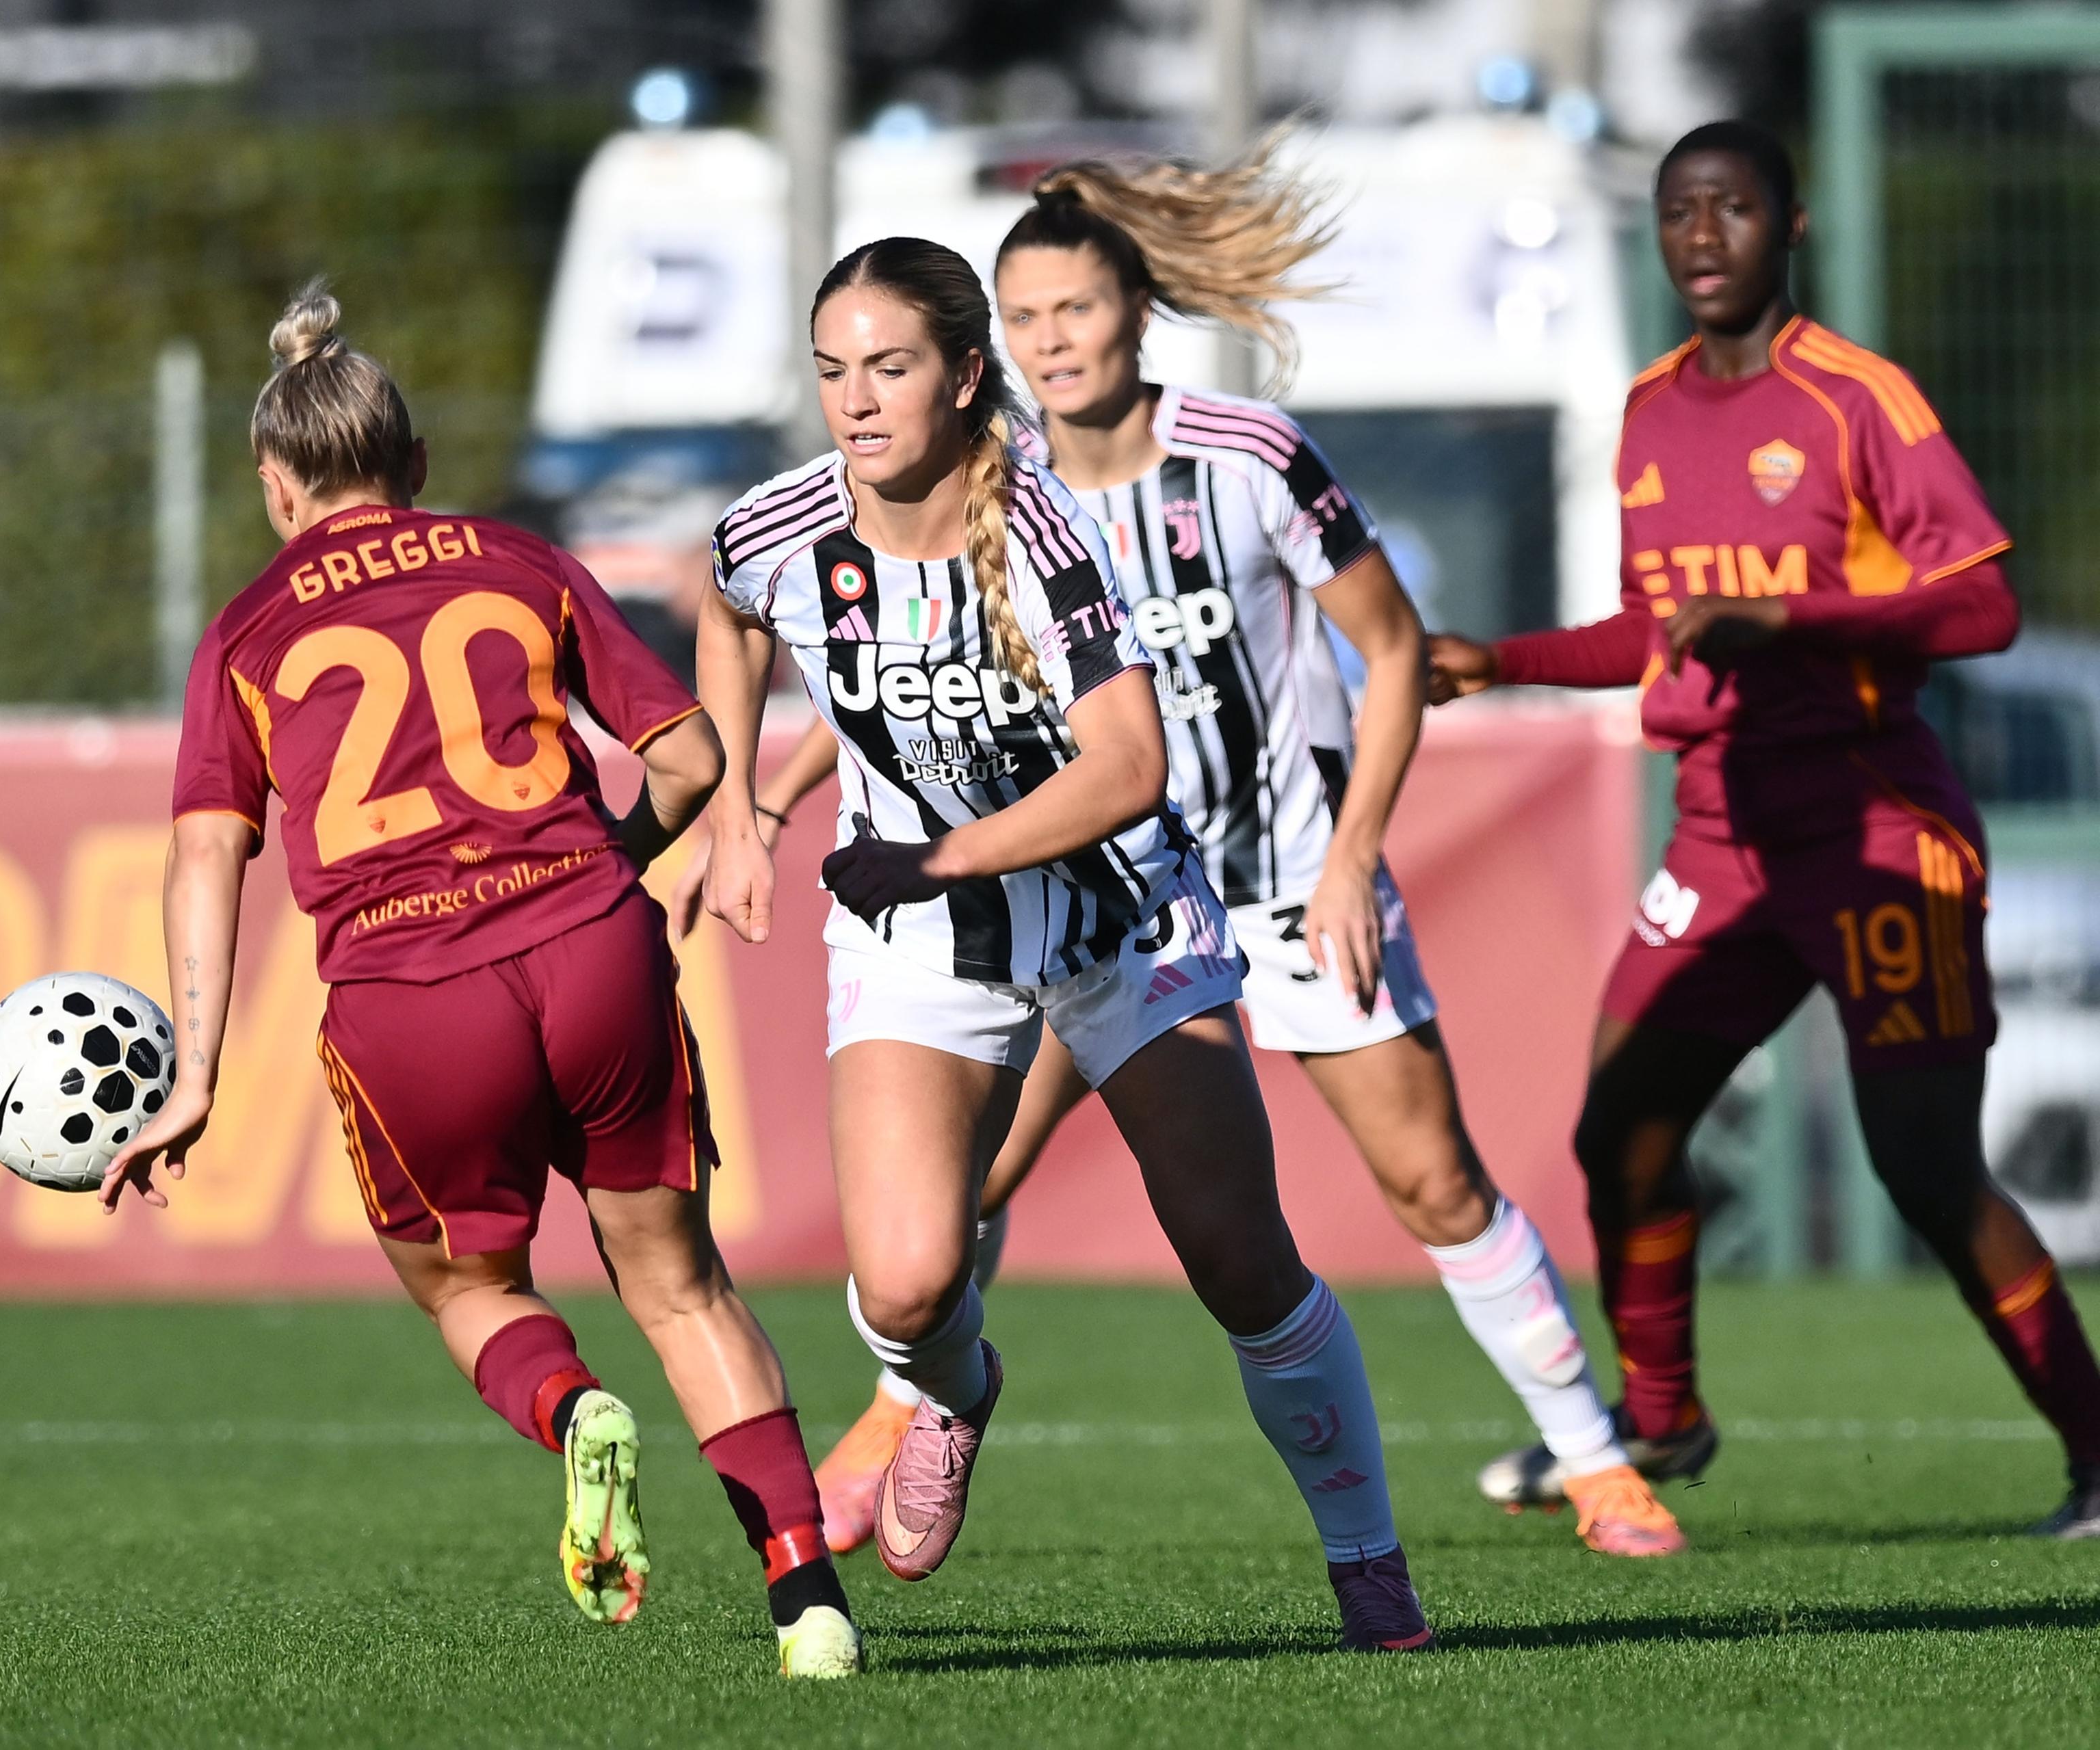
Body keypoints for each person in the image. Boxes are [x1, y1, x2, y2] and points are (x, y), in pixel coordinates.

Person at [683, 145, 1684, 1561]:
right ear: (994, 348)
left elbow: (1389, 650)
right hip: (1071, 899)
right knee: (947, 1206)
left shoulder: (1245, 458)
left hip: (1262, 884)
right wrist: (767, 797)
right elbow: (892, 677)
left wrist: (1349, 863)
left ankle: (1595, 1464)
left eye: (1074, 313)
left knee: (1428, 1184)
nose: (1051, 343)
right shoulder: (979, 485)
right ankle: (914, 1403)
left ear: (1136, 315)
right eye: (1026, 319)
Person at [97, 283, 865, 1679]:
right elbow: (693, 765)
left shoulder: (250, 630)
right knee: (682, 1282)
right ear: (418, 462)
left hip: (411, 994)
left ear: (275, 486)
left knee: (470, 1287)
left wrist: (192, 1072)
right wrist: (604, 868)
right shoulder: (521, 561)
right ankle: (809, 1598)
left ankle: (574, 1413)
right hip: (589, 946)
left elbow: (209, 854)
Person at [696, 235, 1434, 1649]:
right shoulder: (783, 524)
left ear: (968, 377)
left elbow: (1126, 766)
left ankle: (1369, 1564)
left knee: (1239, 1257)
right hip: (928, 941)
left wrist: (943, 848)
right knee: (909, 1284)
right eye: (833, 370)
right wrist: (734, 801)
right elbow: (725, 610)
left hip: (1122, 923)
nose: (856, 400)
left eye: (892, 367)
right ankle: (956, 1386)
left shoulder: (1041, 530)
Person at [1428, 120, 2100, 1539]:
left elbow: (1983, 603)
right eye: (1681, 213)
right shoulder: (1651, 410)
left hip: (1871, 819)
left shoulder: (1858, 398)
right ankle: (1662, 1421)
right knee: (1623, 1131)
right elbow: (1653, 630)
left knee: (1924, 1164)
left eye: (1734, 208)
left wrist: (1793, 619)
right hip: (1721, 832)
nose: (1703, 236)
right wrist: (1504, 659)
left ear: (1789, 225)